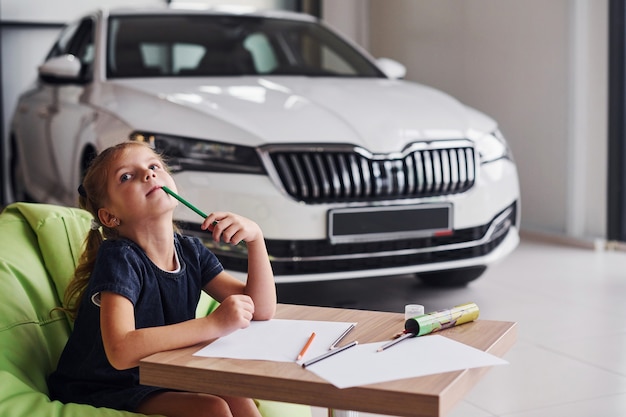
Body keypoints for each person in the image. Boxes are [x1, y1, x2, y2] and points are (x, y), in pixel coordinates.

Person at [48, 141, 276, 417]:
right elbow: (120, 350)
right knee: (213, 408)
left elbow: (260, 310)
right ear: (109, 216)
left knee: (234, 392)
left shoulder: (191, 251)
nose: (149, 174)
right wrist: (213, 324)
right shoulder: (120, 258)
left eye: (154, 166)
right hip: (103, 385)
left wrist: (256, 239)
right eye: (126, 176)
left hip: (162, 372)